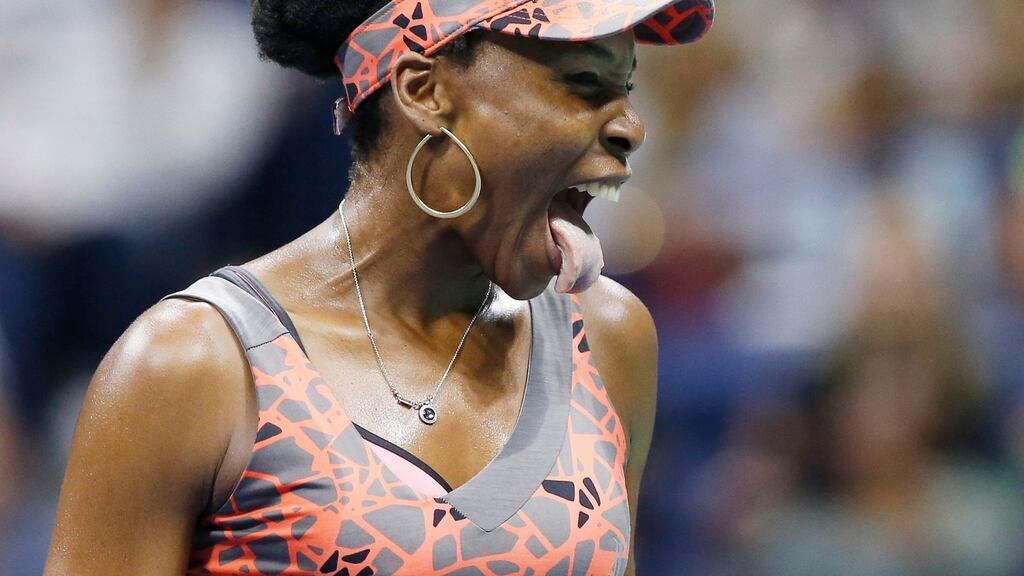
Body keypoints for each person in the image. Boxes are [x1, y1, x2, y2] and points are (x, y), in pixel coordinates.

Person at [44, 0, 714, 573]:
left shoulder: (606, 338)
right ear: (426, 91)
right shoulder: (192, 365)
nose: (631, 126)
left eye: (625, 88)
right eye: (584, 85)